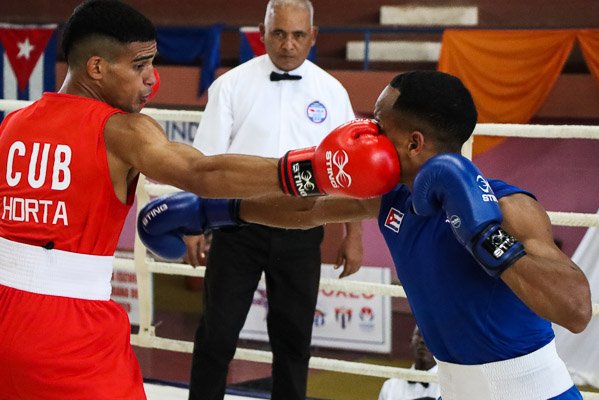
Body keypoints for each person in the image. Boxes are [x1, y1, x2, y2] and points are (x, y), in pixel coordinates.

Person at [0, 1, 400, 399]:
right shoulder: (122, 131)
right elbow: (202, 173)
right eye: (139, 66)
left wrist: (370, 206)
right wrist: (311, 169)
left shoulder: (13, 124)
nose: (151, 80)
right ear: (97, 68)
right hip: (72, 330)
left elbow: (239, 207)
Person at [139, 70, 593, 400]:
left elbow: (575, 309)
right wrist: (215, 211)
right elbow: (306, 210)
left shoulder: (510, 207)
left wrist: (483, 235)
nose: (366, 132)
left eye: (379, 125)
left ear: (414, 143)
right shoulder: (390, 196)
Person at [184, 1, 363, 399]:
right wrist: (193, 223)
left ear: (313, 37)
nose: (287, 44)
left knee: (294, 342)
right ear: (262, 34)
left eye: (298, 35)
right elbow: (204, 162)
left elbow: (350, 168)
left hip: (303, 231)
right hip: (236, 227)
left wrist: (354, 234)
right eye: (279, 33)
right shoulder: (231, 85)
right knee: (216, 336)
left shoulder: (332, 91)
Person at [378, 325, 440, 400]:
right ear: (411, 341)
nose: (422, 340)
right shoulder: (390, 386)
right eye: (419, 334)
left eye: (431, 336)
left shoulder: (449, 387)